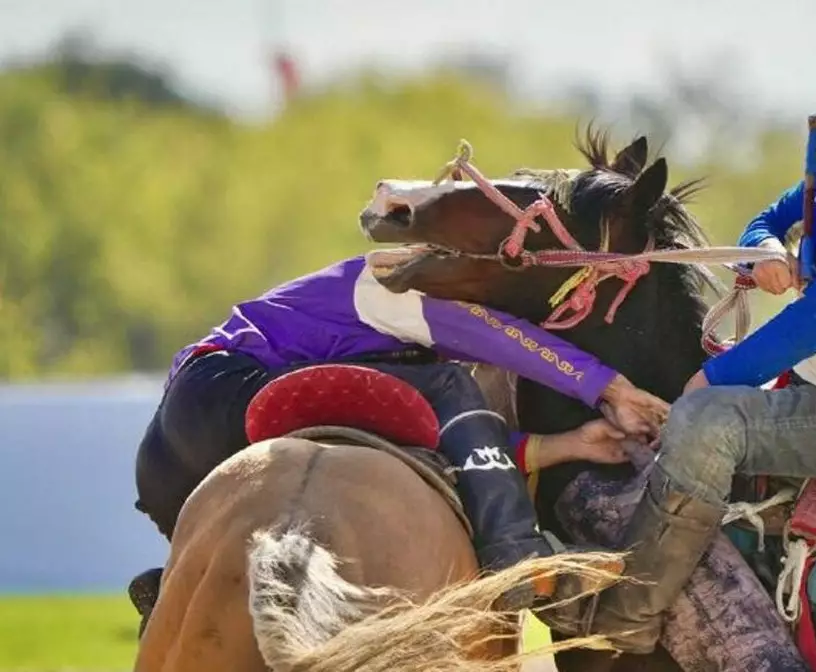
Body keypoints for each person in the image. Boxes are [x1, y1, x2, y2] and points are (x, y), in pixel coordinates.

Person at [589, 20, 816, 652]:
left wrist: (710, 381)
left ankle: (633, 609)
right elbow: (765, 220)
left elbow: (814, 321)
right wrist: (763, 249)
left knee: (708, 420)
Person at [127, 253, 670, 628]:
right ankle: (516, 558)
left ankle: (171, 588)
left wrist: (568, 444)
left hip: (168, 461)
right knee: (453, 386)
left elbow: (452, 443)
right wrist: (609, 387)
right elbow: (493, 336)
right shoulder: (386, 280)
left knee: (442, 400)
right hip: (228, 395)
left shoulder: (356, 347)